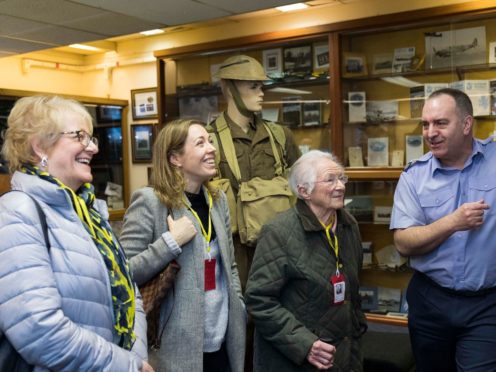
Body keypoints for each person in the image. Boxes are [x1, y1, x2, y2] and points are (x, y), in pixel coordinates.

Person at [0, 95, 152, 371]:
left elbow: (130, 293)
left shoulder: (89, 213)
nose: (93, 147)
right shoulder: (17, 212)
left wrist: (137, 358)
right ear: (39, 147)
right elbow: (39, 330)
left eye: (91, 138)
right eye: (80, 136)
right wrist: (127, 366)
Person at [119, 119, 246, 372]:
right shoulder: (150, 201)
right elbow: (124, 273)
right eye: (200, 143)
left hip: (222, 340)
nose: (211, 149)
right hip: (174, 349)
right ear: (175, 158)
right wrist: (171, 243)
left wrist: (238, 307)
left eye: (210, 141)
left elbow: (229, 265)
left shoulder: (217, 200)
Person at [390, 88, 496, 371]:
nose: (430, 132)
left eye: (440, 123)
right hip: (430, 301)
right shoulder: (414, 177)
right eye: (425, 124)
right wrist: (453, 222)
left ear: (466, 124)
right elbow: (403, 242)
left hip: (486, 304)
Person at [245, 150, 367, 371]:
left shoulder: (349, 226)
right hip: (295, 360)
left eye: (341, 178)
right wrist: (305, 345)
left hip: (346, 356)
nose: (340, 186)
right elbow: (259, 301)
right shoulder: (279, 232)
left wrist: (358, 328)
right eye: (330, 180)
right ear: (304, 191)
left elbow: (353, 290)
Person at [209, 54, 301, 289]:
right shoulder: (208, 140)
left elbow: (303, 188)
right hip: (233, 255)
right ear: (229, 89)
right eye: (253, 86)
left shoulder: (279, 136)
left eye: (262, 86)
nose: (261, 93)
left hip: (278, 249)